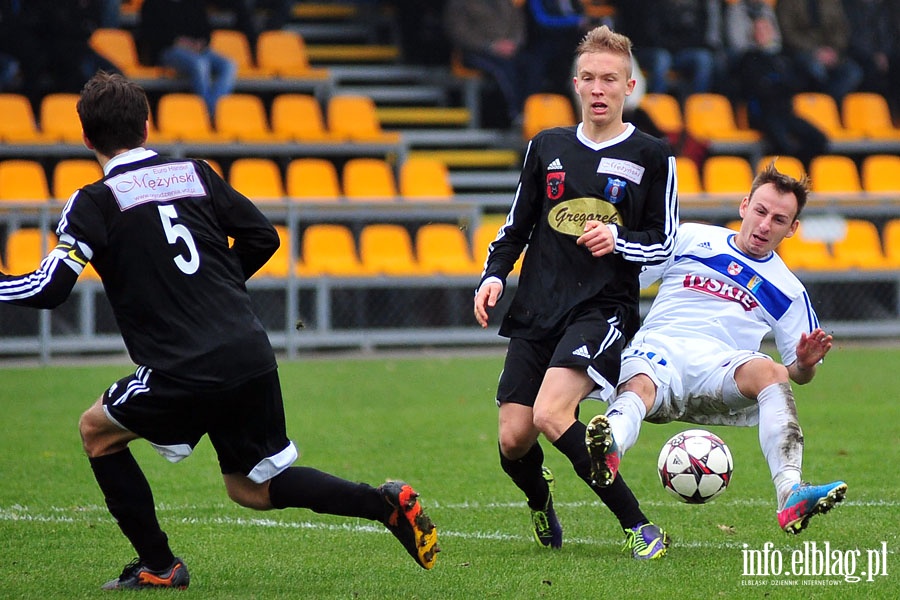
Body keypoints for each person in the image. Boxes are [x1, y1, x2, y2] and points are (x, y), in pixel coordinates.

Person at [0, 71, 439, 590]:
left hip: (182, 366)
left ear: (87, 139)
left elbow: (49, 288)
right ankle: (380, 504)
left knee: (96, 433)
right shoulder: (196, 173)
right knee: (251, 487)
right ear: (146, 125)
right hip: (248, 351)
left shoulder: (93, 203)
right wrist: (217, 288)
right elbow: (262, 236)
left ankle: (159, 566)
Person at [474, 25, 678, 559]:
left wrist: (617, 240)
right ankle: (541, 502)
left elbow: (663, 242)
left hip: (600, 309)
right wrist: (494, 273)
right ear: (575, 84)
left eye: (609, 78)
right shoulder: (547, 146)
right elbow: (517, 224)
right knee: (514, 438)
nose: (598, 88)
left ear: (629, 86)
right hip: (537, 307)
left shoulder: (653, 155)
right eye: (588, 77)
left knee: (550, 413)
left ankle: (639, 526)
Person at [587, 162, 847, 536]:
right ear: (744, 206)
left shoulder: (788, 291)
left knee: (772, 371)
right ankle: (608, 447)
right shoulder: (689, 238)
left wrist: (805, 365)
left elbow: (799, 374)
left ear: (792, 229)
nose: (763, 226)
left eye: (778, 219)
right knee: (638, 384)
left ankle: (791, 492)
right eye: (760, 212)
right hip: (660, 352)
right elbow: (626, 279)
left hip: (720, 368)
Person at [738, 16, 828, 167]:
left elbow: (798, 82)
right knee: (785, 145)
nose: (762, 33)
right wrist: (779, 83)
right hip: (763, 114)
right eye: (758, 30)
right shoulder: (749, 58)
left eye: (765, 29)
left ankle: (802, 169)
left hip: (786, 113)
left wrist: (776, 83)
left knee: (819, 139)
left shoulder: (784, 56)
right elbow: (757, 87)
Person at [139, 0, 237, 117]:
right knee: (200, 64)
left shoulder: (194, 3)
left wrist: (200, 43)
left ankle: (213, 108)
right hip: (168, 50)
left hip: (197, 49)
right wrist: (177, 42)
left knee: (229, 65)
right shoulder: (153, 4)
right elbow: (150, 35)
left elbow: (206, 31)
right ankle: (207, 113)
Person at [443, 0, 529, 128]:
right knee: (502, 70)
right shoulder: (460, 4)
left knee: (530, 65)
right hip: (474, 53)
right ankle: (515, 113)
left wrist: (513, 44)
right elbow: (459, 33)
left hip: (508, 52)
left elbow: (518, 26)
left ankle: (529, 111)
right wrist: (491, 46)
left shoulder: (507, 3)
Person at [614, 0, 724, 98]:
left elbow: (698, 34)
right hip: (651, 50)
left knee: (703, 58)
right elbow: (651, 35)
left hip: (679, 52)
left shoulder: (693, 6)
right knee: (661, 59)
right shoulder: (654, 5)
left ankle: (696, 104)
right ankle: (656, 101)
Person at [775, 0, 862, 102]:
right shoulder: (787, 2)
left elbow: (841, 29)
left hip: (831, 52)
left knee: (852, 72)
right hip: (801, 51)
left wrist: (833, 50)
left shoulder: (831, 2)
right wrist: (815, 50)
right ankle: (817, 105)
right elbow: (788, 33)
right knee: (815, 69)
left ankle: (828, 105)